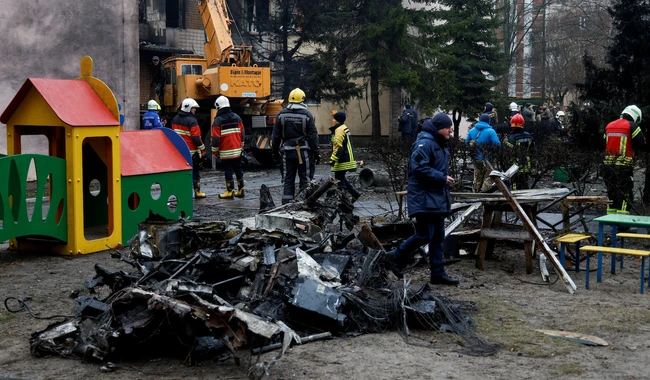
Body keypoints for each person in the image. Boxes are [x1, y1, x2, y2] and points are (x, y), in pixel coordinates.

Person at [388, 113, 459, 286]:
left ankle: (438, 274)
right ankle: (394, 257)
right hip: (424, 198)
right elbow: (419, 168)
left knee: (438, 237)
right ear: (438, 128)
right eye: (447, 127)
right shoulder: (425, 143)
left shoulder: (438, 143)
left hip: (435, 198)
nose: (451, 129)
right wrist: (442, 178)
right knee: (425, 234)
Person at [272, 88, 320, 204]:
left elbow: (276, 136)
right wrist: (316, 152)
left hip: (286, 152)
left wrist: (274, 153)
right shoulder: (307, 115)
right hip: (304, 152)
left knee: (288, 180)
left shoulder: (281, 115)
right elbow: (313, 136)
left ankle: (286, 206)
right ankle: (304, 205)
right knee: (305, 180)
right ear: (303, 100)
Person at [603, 105, 645, 214]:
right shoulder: (632, 126)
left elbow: (604, 142)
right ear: (635, 116)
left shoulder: (609, 125)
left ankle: (611, 220)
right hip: (623, 166)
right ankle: (622, 223)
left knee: (611, 192)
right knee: (625, 193)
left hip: (608, 165)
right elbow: (640, 143)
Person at [172, 98, 206, 199]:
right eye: (193, 108)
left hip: (179, 151)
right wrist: (202, 149)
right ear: (189, 109)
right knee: (195, 172)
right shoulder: (192, 121)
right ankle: (197, 191)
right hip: (192, 152)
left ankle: (181, 192)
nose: (195, 110)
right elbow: (196, 137)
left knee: (182, 173)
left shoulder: (175, 119)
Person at [211, 96, 245, 199]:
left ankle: (230, 191)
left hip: (226, 152)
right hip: (237, 150)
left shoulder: (218, 121)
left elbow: (216, 139)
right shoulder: (237, 117)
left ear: (218, 106)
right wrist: (241, 146)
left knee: (228, 171)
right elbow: (242, 134)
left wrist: (214, 151)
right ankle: (241, 190)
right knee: (238, 169)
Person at [329, 111, 360, 201]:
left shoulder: (339, 130)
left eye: (334, 119)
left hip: (343, 159)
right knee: (341, 177)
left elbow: (339, 147)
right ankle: (354, 194)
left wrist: (333, 159)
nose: (333, 120)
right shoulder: (344, 128)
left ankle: (342, 199)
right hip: (347, 157)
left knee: (339, 179)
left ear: (337, 120)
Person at [465, 113, 501, 192]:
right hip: (488, 159)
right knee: (488, 177)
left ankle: (476, 193)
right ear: (488, 121)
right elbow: (497, 144)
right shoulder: (491, 131)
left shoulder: (472, 131)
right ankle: (484, 193)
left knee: (477, 177)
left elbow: (467, 143)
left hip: (476, 159)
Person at [505, 114, 534, 190]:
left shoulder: (512, 138)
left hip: (515, 164)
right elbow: (532, 151)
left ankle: (517, 199)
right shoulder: (529, 136)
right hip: (527, 163)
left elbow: (508, 152)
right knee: (525, 182)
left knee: (515, 183)